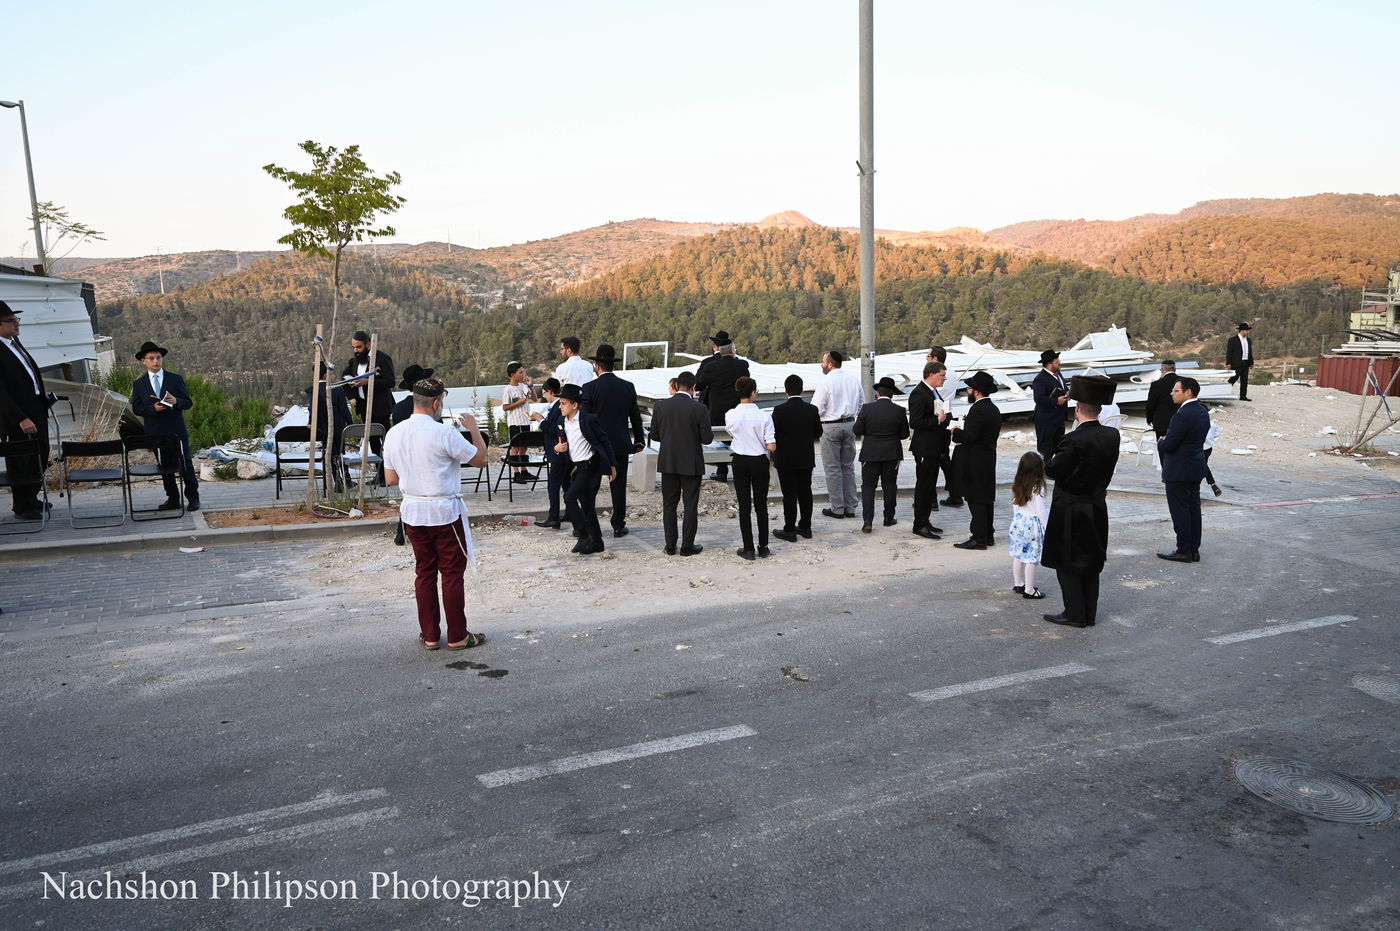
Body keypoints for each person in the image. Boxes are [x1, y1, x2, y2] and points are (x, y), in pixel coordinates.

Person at [382, 376, 489, 651]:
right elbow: (480, 459)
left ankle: (430, 635)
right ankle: (457, 636)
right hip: (444, 511)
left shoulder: (394, 433)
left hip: (413, 511)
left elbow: (391, 479)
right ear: (437, 403)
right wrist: (474, 429)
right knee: (452, 573)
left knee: (424, 573)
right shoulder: (443, 433)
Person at [1041, 375, 1122, 629]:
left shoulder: (1073, 439)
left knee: (1067, 562)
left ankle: (1074, 613)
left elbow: (1054, 470)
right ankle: (1089, 613)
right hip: (1097, 505)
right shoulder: (1112, 435)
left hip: (1071, 508)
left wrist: (1043, 461)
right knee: (1091, 561)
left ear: (1077, 409)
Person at [581, 344, 645, 537]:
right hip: (619, 443)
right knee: (618, 485)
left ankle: (588, 523)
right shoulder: (627, 386)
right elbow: (635, 416)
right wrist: (639, 441)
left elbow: (584, 419)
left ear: (597, 366)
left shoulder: (589, 388)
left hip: (595, 445)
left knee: (591, 485)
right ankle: (618, 524)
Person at [130, 340, 201, 511]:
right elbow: (136, 408)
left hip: (176, 431)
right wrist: (153, 408)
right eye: (151, 358)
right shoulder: (139, 384)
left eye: (158, 358)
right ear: (143, 361)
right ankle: (173, 499)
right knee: (164, 467)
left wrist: (176, 401)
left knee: (185, 465)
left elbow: (188, 402)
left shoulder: (175, 379)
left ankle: (193, 498)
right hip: (155, 433)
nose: (156, 361)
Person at [0, 302, 56, 520]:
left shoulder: (14, 343)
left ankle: (32, 498)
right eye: (11, 320)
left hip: (36, 408)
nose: (16, 324)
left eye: (17, 320)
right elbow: (1, 393)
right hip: (17, 417)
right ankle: (22, 506)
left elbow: (27, 375)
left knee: (40, 455)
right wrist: (21, 418)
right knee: (21, 460)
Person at [648, 370, 712, 555]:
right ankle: (687, 546)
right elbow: (707, 439)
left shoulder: (661, 407)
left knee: (669, 504)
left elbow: (653, 435)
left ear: (677, 386)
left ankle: (670, 545)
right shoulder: (700, 409)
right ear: (693, 388)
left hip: (668, 461)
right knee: (690, 504)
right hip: (691, 463)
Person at [554, 383, 616, 555]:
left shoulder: (588, 419)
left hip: (589, 467)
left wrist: (612, 466)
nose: (560, 407)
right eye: (560, 403)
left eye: (563, 403)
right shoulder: (561, 421)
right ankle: (597, 542)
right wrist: (556, 449)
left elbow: (604, 441)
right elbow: (558, 443)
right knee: (587, 505)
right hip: (575, 468)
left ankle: (583, 535)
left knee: (569, 497)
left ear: (574, 405)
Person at [1156, 376, 1209, 563]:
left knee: (1180, 511)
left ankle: (1184, 549)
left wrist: (1161, 442)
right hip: (1195, 466)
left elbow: (1169, 445)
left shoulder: (1182, 415)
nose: (1172, 393)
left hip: (1179, 470)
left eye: (1176, 390)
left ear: (1188, 392)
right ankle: (1194, 549)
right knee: (1193, 509)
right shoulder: (1202, 410)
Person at [724, 376, 777, 559]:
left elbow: (731, 433)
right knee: (761, 505)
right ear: (753, 392)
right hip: (759, 461)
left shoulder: (730, 415)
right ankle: (763, 547)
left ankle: (748, 548)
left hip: (739, 461)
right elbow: (771, 446)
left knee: (744, 506)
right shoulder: (764, 416)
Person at [950, 370, 1001, 550]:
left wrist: (955, 432)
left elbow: (970, 436)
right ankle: (988, 534)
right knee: (986, 498)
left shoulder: (978, 409)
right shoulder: (993, 408)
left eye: (970, 388)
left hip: (976, 460)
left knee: (976, 498)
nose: (968, 391)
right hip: (987, 458)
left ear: (977, 391)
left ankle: (978, 537)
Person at [853, 375, 910, 533]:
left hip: (870, 452)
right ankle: (888, 517)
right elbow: (905, 434)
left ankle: (868, 521)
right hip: (892, 453)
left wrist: (869, 432)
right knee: (890, 486)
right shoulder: (899, 411)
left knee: (868, 487)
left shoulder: (866, 408)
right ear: (892, 394)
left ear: (877, 393)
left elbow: (856, 430)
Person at [812, 349, 863, 519]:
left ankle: (837, 508)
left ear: (830, 364)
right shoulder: (853, 379)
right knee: (848, 467)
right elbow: (861, 403)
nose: (821, 364)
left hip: (830, 425)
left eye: (823, 361)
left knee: (833, 468)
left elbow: (816, 408)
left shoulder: (825, 382)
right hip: (850, 424)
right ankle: (851, 507)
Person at [770, 374, 821, 543]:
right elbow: (818, 432)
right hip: (805, 457)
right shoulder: (811, 409)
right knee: (806, 492)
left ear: (786, 391)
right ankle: (806, 527)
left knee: (789, 494)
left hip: (786, 458)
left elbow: (773, 433)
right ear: (802, 389)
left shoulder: (779, 410)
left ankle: (789, 529)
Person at [694, 330, 749, 482]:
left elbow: (698, 384)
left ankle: (722, 470)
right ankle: (741, 471)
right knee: (737, 438)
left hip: (715, 409)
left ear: (715, 346)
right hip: (737, 409)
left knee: (718, 440)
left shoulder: (708, 364)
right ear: (732, 349)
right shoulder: (742, 364)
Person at [908, 360, 949, 540]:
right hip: (925, 447)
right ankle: (919, 524)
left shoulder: (932, 391)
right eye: (942, 375)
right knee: (924, 487)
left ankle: (925, 520)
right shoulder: (918, 393)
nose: (945, 378)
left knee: (930, 486)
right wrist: (938, 421)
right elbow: (915, 422)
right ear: (931, 374)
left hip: (935, 446)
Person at [340, 330, 395, 447]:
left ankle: (389, 464)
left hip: (380, 408)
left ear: (368, 344)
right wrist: (351, 397)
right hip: (363, 406)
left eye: (359, 347)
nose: (356, 350)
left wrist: (368, 382)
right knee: (372, 441)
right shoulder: (354, 362)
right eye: (354, 347)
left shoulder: (382, 359)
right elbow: (343, 379)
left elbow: (390, 381)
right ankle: (378, 465)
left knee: (386, 441)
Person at [1008, 451, 1049, 600]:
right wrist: (1048, 528)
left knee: (1018, 555)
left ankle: (1018, 583)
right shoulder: (1037, 486)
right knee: (1032, 558)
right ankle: (1029, 589)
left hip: (1019, 521)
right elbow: (1041, 511)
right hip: (1033, 524)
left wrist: (1016, 520)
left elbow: (1015, 504)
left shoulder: (1017, 482)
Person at [307, 361, 354, 490]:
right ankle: (347, 479)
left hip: (323, 428)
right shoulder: (337, 390)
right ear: (325, 375)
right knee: (340, 453)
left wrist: (310, 421)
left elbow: (312, 408)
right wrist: (351, 425)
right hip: (338, 427)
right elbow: (344, 410)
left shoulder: (313, 391)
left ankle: (337, 481)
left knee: (331, 454)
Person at [529, 378, 567, 529]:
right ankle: (569, 513)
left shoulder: (558, 407)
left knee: (553, 485)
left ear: (550, 391)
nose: (544, 395)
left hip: (557, 452)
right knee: (565, 483)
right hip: (557, 451)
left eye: (544, 392)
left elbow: (553, 429)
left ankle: (553, 517)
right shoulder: (557, 406)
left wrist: (540, 420)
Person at [930, 346, 962, 508]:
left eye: (928, 356)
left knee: (937, 458)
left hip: (939, 415)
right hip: (947, 414)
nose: (926, 359)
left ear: (935, 358)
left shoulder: (936, 377)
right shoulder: (952, 373)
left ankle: (933, 499)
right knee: (943, 458)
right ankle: (955, 494)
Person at [1031, 349, 1070, 460]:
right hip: (1046, 420)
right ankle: (1042, 473)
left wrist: (1067, 392)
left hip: (1059, 419)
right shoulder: (1040, 379)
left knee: (1059, 447)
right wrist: (1056, 401)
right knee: (1045, 449)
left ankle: (1054, 471)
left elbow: (1063, 387)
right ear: (1049, 364)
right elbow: (1038, 398)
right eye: (1057, 362)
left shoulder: (1058, 374)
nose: (1060, 363)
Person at [502, 361, 536, 483]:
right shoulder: (508, 389)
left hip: (526, 420)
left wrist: (530, 385)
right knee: (515, 447)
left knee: (524, 446)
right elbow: (505, 407)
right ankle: (516, 473)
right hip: (515, 422)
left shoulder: (524, 386)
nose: (523, 374)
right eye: (520, 372)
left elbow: (535, 399)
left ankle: (524, 470)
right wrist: (518, 403)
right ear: (513, 374)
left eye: (523, 371)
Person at [1144, 360, 1179, 439]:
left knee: (1162, 446)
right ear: (1175, 369)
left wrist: (1149, 419)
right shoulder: (1183, 382)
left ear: (1162, 370)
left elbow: (1151, 404)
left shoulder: (1156, 384)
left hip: (1162, 422)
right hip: (1181, 421)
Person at [1225, 323, 1254, 401]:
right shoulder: (1232, 340)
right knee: (1234, 378)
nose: (1248, 332)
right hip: (1236, 362)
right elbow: (1229, 352)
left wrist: (1251, 363)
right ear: (1242, 331)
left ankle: (1243, 396)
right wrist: (1228, 363)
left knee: (1244, 380)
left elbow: (1249, 352)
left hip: (1246, 362)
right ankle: (1224, 390)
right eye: (1247, 330)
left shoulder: (1249, 340)